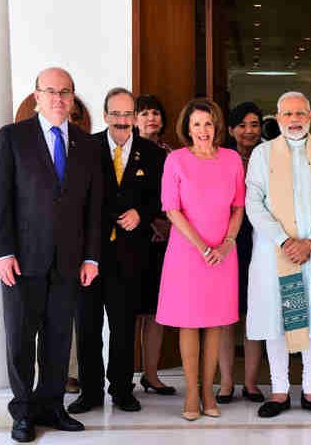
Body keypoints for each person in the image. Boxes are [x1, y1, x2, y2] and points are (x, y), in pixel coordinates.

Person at [0, 67, 103, 442]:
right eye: (50, 91)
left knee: (57, 339)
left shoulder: (87, 146)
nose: (58, 98)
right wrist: (2, 252)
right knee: (20, 339)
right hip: (22, 260)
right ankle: (22, 412)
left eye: (65, 92)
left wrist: (91, 257)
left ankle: (52, 406)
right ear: (36, 96)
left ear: (73, 99)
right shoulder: (12, 138)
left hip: (69, 262)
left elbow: (94, 208)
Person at [246, 91, 311, 418]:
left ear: (310, 116)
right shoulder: (262, 155)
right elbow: (253, 202)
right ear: (277, 117)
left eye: (300, 113)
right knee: (277, 318)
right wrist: (283, 240)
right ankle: (278, 391)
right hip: (276, 251)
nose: (294, 119)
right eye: (287, 114)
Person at [67, 88, 165, 415]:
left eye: (128, 114)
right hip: (90, 255)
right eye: (116, 114)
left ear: (135, 117)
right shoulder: (85, 147)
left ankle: (122, 389)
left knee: (123, 326)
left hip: (130, 255)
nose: (122, 121)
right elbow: (75, 196)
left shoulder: (152, 154)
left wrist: (142, 213)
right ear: (106, 115)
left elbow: (159, 198)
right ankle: (90, 391)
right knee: (88, 326)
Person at [156, 98, 245, 421]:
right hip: (187, 253)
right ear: (187, 129)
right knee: (189, 321)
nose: (203, 130)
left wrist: (226, 244)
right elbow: (171, 209)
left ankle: (209, 390)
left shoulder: (232, 159)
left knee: (216, 323)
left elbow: (238, 206)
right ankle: (191, 394)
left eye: (208, 124)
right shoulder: (176, 160)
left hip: (223, 253)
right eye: (197, 125)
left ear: (216, 126)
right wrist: (202, 246)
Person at [217, 102, 265, 404]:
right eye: (243, 125)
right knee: (225, 314)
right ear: (232, 129)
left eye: (255, 124)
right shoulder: (220, 157)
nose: (249, 131)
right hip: (226, 239)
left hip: (260, 241)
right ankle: (224, 382)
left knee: (253, 313)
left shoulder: (270, 155)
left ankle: (249, 382)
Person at [133, 94, 176, 395]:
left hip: (167, 242)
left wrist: (168, 224)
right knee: (131, 312)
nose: (151, 118)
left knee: (156, 310)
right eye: (145, 113)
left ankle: (151, 373)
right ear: (134, 119)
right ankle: (124, 375)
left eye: (156, 113)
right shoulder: (126, 151)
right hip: (134, 239)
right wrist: (151, 221)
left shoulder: (172, 153)